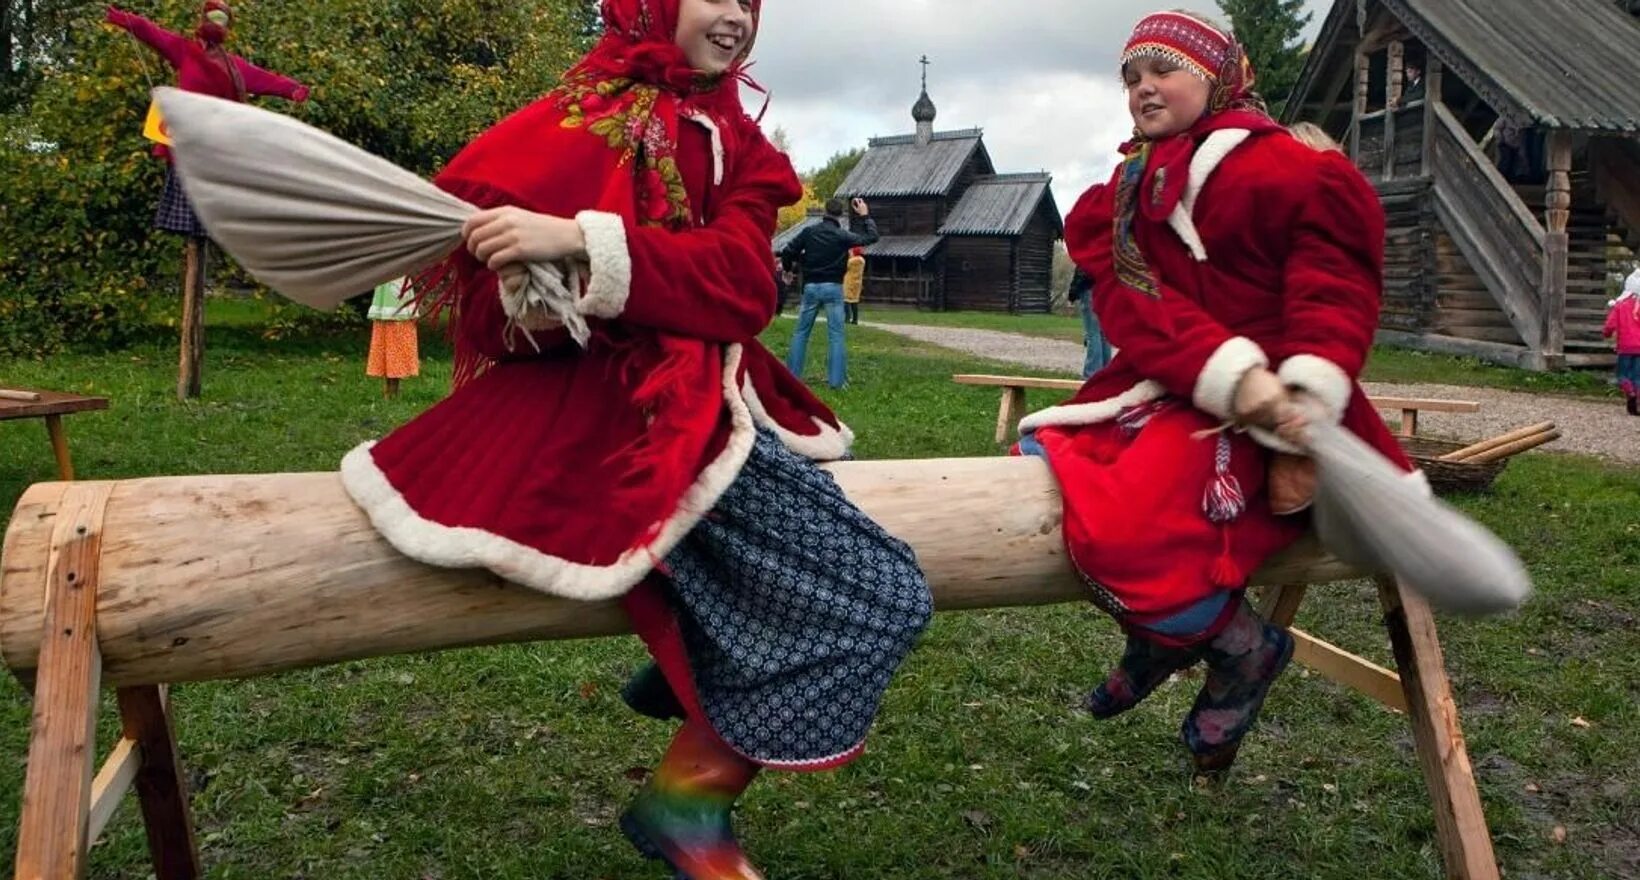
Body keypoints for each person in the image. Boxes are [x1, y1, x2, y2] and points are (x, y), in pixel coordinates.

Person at [337, 2, 932, 876]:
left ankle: (703, 687)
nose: (734, 15)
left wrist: (584, 242)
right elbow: (494, 325)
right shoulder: (569, 120)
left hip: (698, 411)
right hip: (598, 425)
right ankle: (685, 799)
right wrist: (531, 290)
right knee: (888, 594)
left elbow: (739, 290)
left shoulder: (747, 148)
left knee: (883, 592)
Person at [1015, 9, 1414, 776]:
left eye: (1164, 69)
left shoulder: (1288, 172)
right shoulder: (1130, 188)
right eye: (1130, 75)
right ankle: (1173, 635)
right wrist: (1208, 368)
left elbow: (1332, 295)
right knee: (1043, 453)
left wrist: (1295, 407)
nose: (1143, 88)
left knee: (1128, 516)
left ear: (1218, 74)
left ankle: (1240, 649)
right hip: (1179, 378)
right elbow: (1135, 308)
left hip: (1272, 402)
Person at [106, 2, 309, 238]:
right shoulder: (186, 51)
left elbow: (266, 79)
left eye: (222, 20)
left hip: (216, 148)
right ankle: (195, 261)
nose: (216, 24)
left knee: (209, 219)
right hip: (186, 143)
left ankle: (203, 255)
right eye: (213, 18)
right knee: (192, 225)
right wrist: (123, 19)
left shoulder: (234, 66)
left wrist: (293, 89)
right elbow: (152, 33)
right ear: (203, 19)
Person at [779, 197, 879, 387]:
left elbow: (788, 250)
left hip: (810, 287)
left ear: (825, 211)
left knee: (801, 333)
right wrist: (865, 216)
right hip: (833, 288)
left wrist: (788, 270)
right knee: (836, 335)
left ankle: (791, 379)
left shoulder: (809, 232)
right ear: (840, 215)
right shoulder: (842, 236)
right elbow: (871, 237)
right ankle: (836, 381)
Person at [366, 277, 419, 398]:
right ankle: (388, 389)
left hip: (399, 291)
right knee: (385, 341)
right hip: (386, 292)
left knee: (397, 342)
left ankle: (394, 388)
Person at [1605, 269, 1640, 416]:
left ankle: (1630, 393)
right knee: (1637, 376)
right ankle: (1635, 403)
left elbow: (1610, 325)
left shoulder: (1620, 305)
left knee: (1623, 376)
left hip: (1625, 347)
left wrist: (1606, 334)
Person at [1067, 267, 1114, 378]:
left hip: (1090, 290)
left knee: (1093, 333)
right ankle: (1105, 372)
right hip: (1107, 291)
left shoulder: (1089, 251)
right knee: (1103, 334)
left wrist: (1072, 294)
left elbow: (1082, 271)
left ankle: (1091, 374)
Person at [842, 245, 866, 325]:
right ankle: (855, 319)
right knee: (855, 301)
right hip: (858, 282)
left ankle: (847, 318)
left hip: (849, 281)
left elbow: (846, 267)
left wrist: (849, 255)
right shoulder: (862, 261)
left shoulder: (851, 261)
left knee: (846, 300)